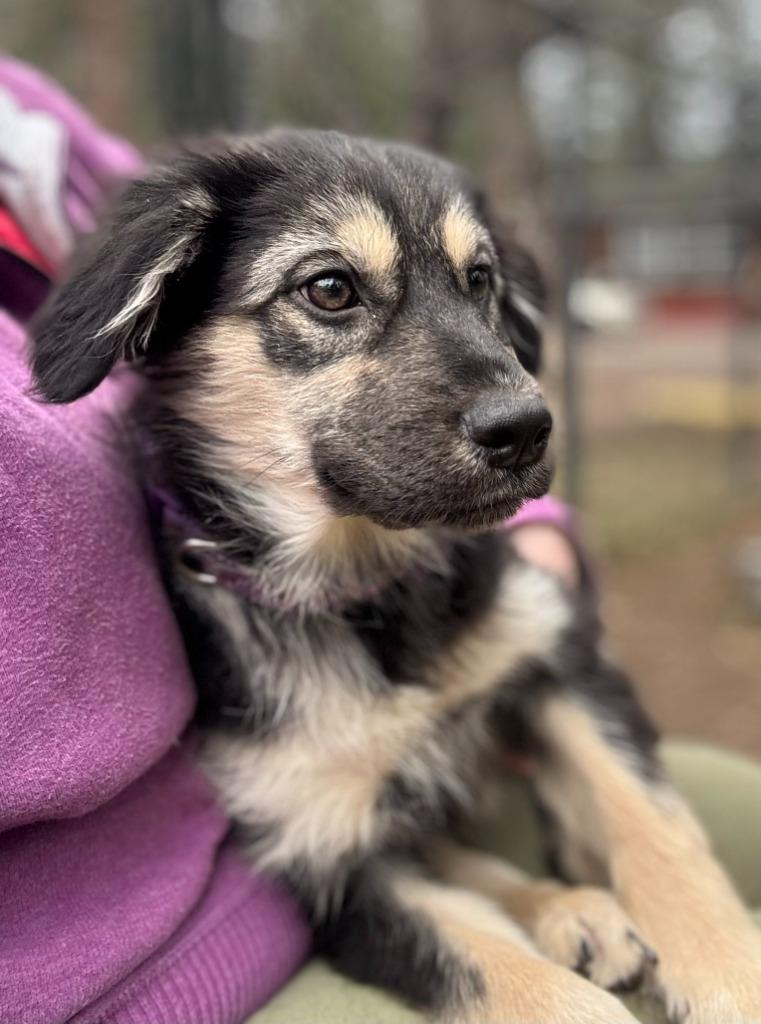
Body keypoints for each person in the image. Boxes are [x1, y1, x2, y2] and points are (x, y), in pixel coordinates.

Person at [1, 57, 759, 1024]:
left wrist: (679, 887)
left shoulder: (33, 126)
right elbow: (353, 893)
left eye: (474, 282)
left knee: (725, 805)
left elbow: (560, 671)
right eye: (329, 291)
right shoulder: (236, 690)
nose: (511, 396)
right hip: (156, 955)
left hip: (450, 764)